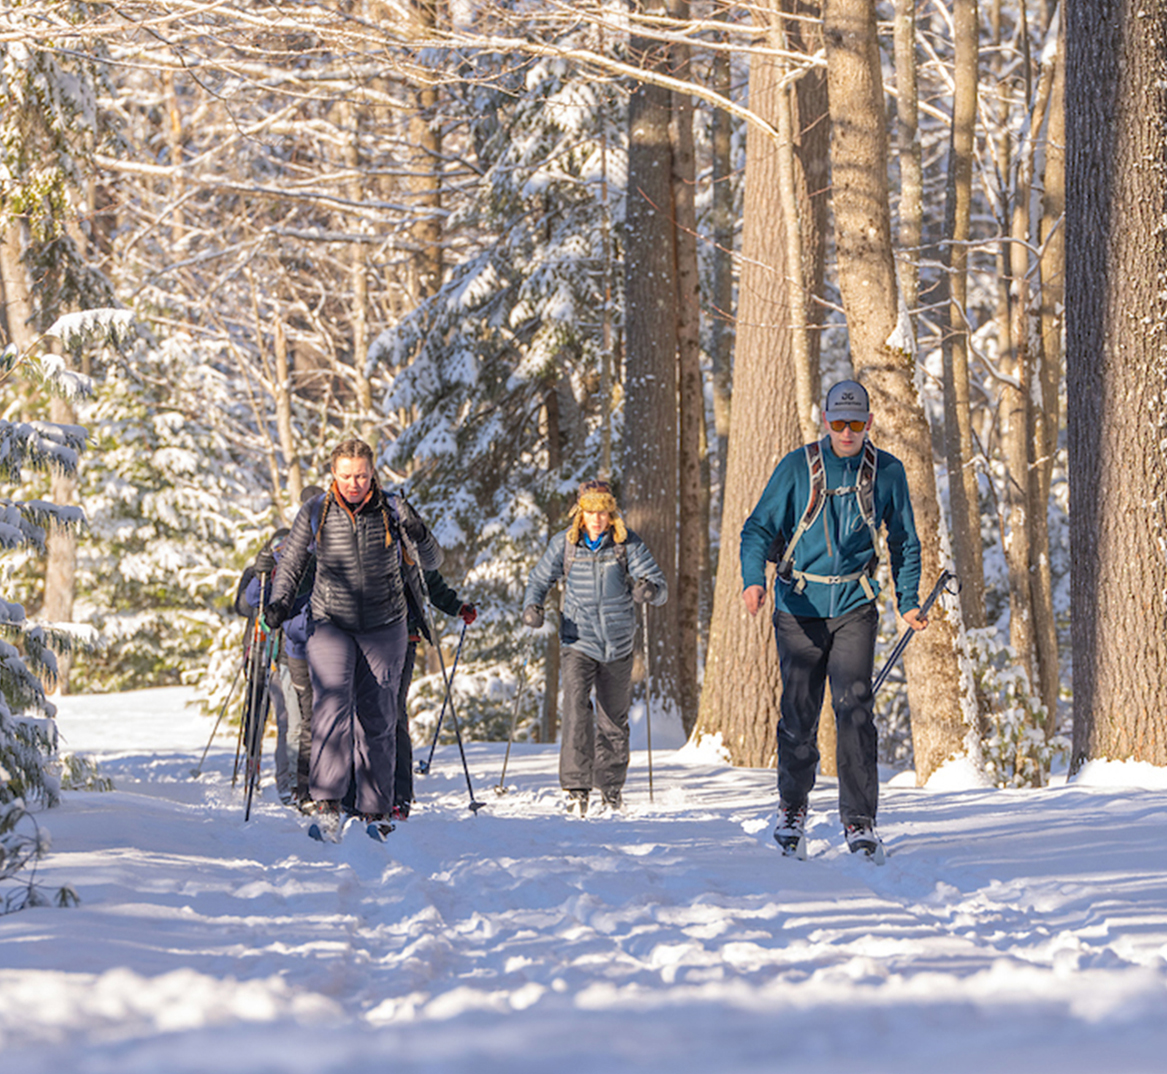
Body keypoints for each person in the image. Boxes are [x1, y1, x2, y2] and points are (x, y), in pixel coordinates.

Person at [739, 379, 927, 858]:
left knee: (855, 710)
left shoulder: (887, 471)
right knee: (799, 713)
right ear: (825, 421)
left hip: (854, 606)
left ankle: (860, 820)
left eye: (856, 423)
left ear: (869, 423)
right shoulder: (797, 467)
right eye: (839, 423)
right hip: (799, 607)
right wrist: (753, 580)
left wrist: (908, 599)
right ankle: (791, 806)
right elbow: (758, 528)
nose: (847, 432)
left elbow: (904, 539)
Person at [264, 439, 442, 838]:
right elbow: (292, 563)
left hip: (385, 625)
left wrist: (419, 531)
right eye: (345, 475)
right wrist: (279, 604)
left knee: (378, 715)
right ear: (333, 474)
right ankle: (327, 802)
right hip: (331, 623)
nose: (353, 483)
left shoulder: (394, 510)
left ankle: (375, 809)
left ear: (372, 472)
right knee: (331, 709)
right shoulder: (315, 511)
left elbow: (432, 561)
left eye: (361, 475)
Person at [522, 479, 668, 816]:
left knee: (613, 720)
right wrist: (533, 606)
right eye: (591, 511)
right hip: (578, 640)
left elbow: (660, 586)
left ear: (611, 512)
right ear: (581, 513)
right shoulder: (566, 545)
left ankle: (611, 789)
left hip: (617, 644)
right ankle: (576, 787)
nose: (597, 518)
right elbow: (539, 579)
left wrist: (649, 590)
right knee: (576, 710)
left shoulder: (626, 544)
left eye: (603, 511)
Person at [393, 569, 476, 818]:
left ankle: (399, 795)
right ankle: (358, 794)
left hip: (402, 634)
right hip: (358, 634)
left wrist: (457, 606)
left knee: (393, 711)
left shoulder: (404, 537)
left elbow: (426, 577)